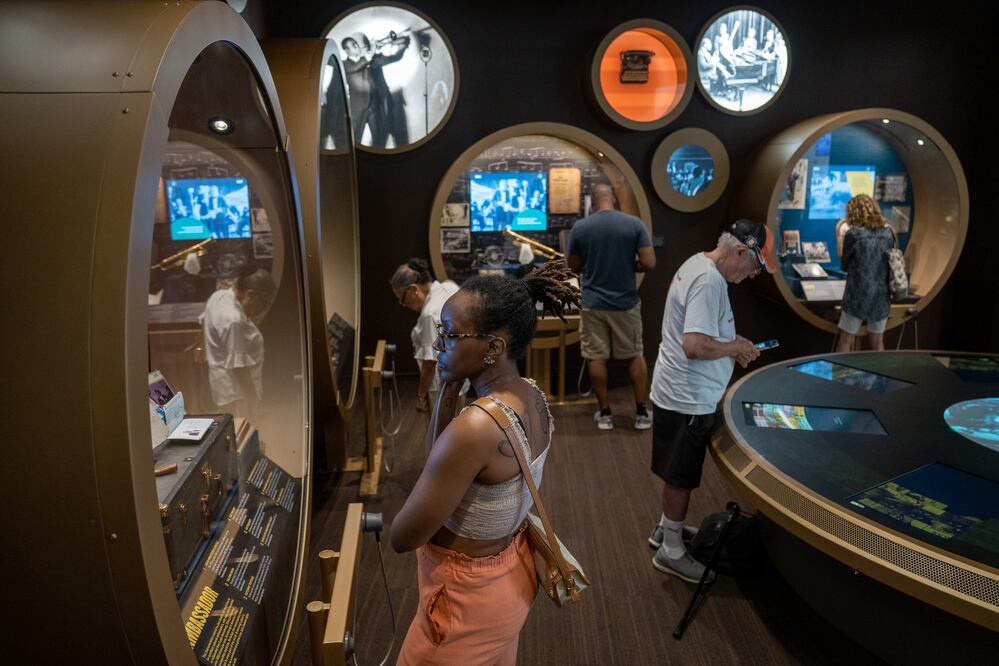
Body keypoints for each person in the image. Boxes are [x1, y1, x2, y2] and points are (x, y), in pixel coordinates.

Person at [391, 263, 579, 665]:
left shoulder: (475, 428)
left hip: (463, 602)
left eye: (450, 335)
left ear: (493, 347)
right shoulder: (532, 396)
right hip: (509, 576)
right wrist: (447, 390)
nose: (439, 345)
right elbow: (437, 469)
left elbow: (403, 537)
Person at [647, 220, 775, 583]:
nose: (752, 276)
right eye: (754, 267)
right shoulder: (709, 281)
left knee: (676, 470)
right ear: (739, 252)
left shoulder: (698, 264)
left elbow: (704, 335)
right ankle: (671, 551)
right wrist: (732, 347)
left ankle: (665, 530)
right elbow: (694, 345)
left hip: (680, 391)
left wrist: (730, 344)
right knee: (680, 476)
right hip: (687, 397)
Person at [568, 183, 656, 431]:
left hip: (593, 304)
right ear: (613, 201)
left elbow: (572, 266)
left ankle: (605, 413)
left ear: (593, 203)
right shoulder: (634, 224)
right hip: (625, 303)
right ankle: (641, 413)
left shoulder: (581, 227)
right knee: (635, 355)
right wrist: (632, 266)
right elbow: (649, 262)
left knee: (596, 358)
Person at [200, 267, 277, 417]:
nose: (264, 309)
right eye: (264, 303)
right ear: (250, 295)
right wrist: (254, 401)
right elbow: (239, 368)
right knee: (242, 435)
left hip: (222, 389)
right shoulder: (234, 321)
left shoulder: (218, 297)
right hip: (237, 396)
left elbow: (203, 324)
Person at [390, 258, 460, 413]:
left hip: (440, 385)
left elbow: (430, 363)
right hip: (461, 378)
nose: (403, 305)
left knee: (439, 434)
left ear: (413, 289)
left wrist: (421, 395)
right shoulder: (449, 287)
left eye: (401, 298)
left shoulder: (429, 313)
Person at [835, 195, 896, 352]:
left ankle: (840, 376)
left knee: (846, 340)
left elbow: (845, 265)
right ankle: (880, 376)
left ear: (853, 212)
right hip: (881, 295)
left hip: (857, 295)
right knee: (877, 342)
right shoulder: (888, 233)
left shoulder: (854, 234)